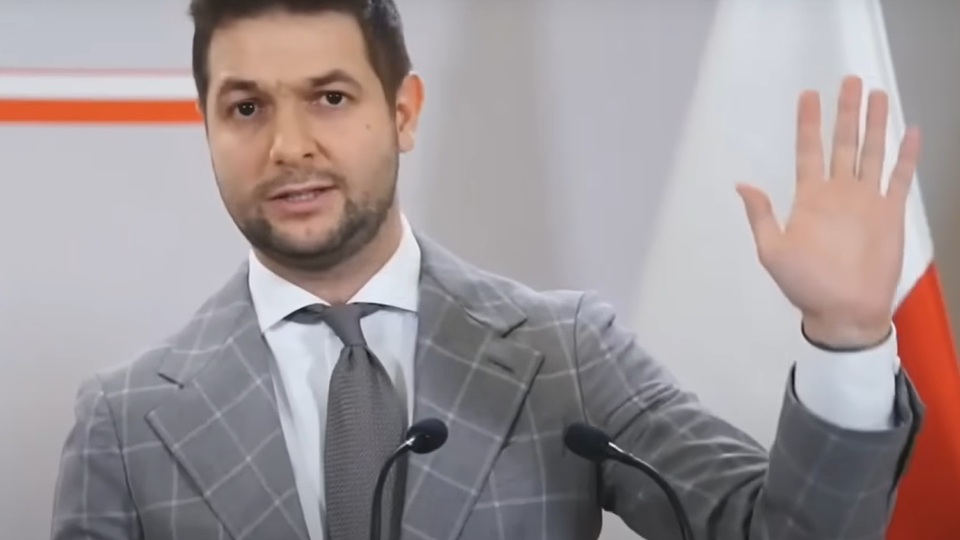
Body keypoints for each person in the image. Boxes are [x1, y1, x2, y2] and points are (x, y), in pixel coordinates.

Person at [49, 1, 925, 539]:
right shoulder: (123, 425)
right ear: (208, 127)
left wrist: (847, 337)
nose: (288, 146)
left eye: (330, 97)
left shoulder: (565, 351)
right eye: (245, 108)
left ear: (404, 112)